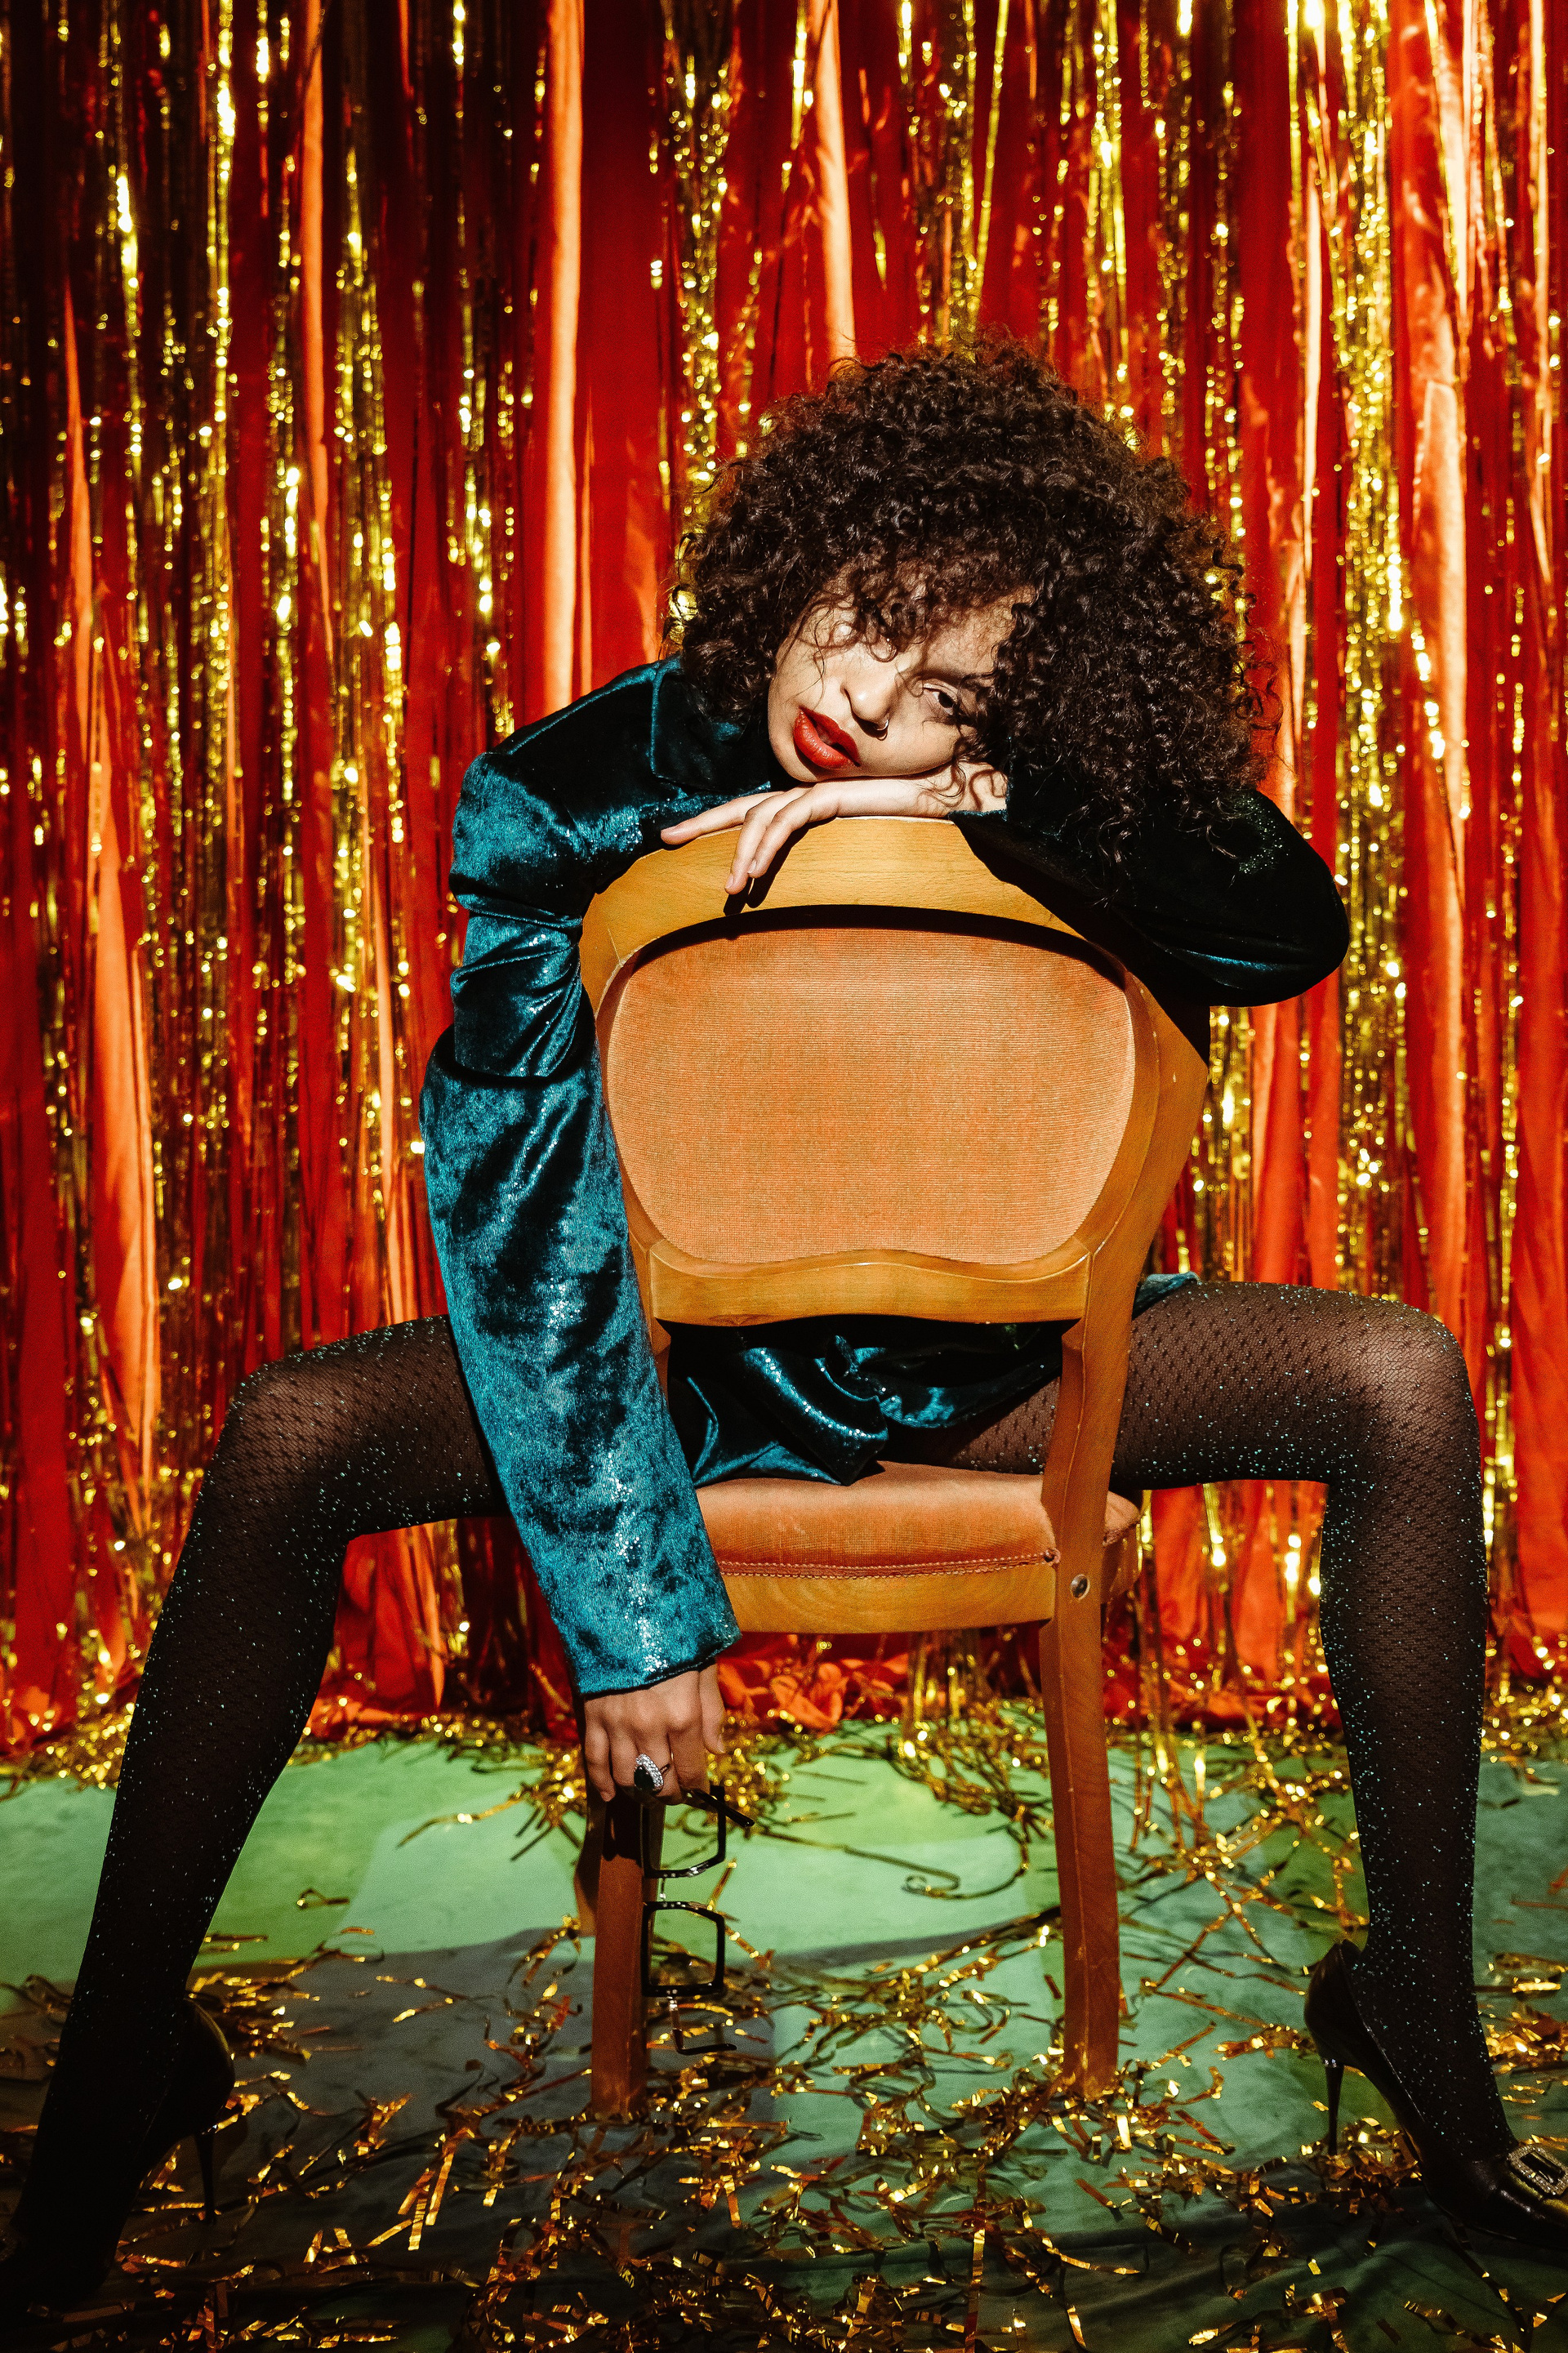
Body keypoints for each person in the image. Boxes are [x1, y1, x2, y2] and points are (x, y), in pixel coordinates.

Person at [3, 340, 1563, 2324]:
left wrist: (980, 804)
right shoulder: (572, 786)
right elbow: (518, 1183)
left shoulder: (1014, 777)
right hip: (668, 1386)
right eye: (869, 621)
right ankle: (118, 2073)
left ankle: (1417, 2011)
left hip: (977, 1383)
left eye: (951, 691)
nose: (867, 700)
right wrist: (630, 1599)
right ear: (806, 551)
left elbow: (1288, 918)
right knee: (296, 1429)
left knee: (1399, 1379)